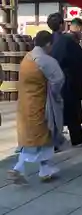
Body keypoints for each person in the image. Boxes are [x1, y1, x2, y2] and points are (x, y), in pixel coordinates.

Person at [9, 31, 64, 184]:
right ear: (48, 44)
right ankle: (19, 168)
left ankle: (45, 169)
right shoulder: (46, 60)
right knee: (42, 137)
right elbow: (58, 80)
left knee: (32, 138)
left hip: (25, 105)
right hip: (41, 105)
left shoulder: (27, 58)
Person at [47, 12, 82, 147]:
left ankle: (56, 138)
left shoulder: (50, 40)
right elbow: (80, 61)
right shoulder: (68, 41)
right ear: (62, 25)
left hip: (53, 79)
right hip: (69, 80)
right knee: (72, 110)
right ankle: (76, 138)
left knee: (56, 111)